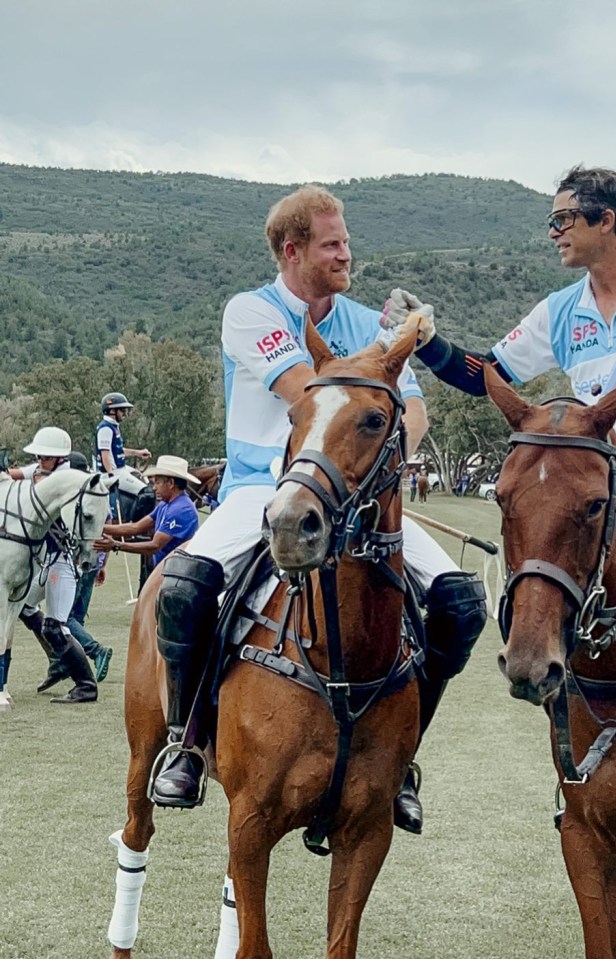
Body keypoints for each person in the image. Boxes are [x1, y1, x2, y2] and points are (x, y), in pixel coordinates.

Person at [150, 185, 487, 830]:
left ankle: (404, 757)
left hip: (359, 496)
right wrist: (395, 348)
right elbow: (310, 396)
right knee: (185, 586)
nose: (345, 253)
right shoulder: (251, 312)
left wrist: (381, 459)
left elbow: (409, 411)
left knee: (458, 603)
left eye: (347, 242)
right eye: (332, 244)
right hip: (262, 486)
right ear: (292, 249)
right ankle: (186, 739)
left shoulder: (367, 323)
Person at [382, 164, 616, 618]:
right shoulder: (560, 311)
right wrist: (427, 341)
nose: (552, 233)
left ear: (605, 220)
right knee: (536, 598)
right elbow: (484, 374)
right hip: (598, 485)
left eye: (562, 220)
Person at [9, 428, 99, 703]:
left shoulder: (69, 480)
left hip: (63, 559)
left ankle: (86, 685)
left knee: (55, 627)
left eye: (44, 457)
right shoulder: (44, 470)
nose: (39, 460)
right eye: (38, 456)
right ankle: (59, 662)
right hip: (45, 560)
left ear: (59, 458)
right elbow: (18, 474)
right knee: (25, 607)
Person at [37, 451, 113, 692]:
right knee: (74, 618)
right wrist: (103, 562)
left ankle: (94, 652)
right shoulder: (98, 493)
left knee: (64, 620)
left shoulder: (74, 496)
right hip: (93, 560)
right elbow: (106, 526)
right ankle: (60, 664)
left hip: (76, 562)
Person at [94, 455, 200, 567]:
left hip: (178, 572)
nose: (154, 488)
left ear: (171, 483)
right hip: (165, 569)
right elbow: (136, 527)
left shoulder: (182, 510)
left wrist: (116, 545)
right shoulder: (165, 504)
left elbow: (154, 546)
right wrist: (98, 528)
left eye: (157, 483)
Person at [95, 392, 151, 510]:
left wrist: (138, 453)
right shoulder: (106, 428)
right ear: (112, 411)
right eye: (122, 410)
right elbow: (104, 455)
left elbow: (117, 450)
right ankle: (138, 524)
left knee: (143, 477)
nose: (124, 414)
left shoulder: (113, 426)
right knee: (147, 493)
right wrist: (111, 476)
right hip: (114, 473)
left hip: (121, 469)